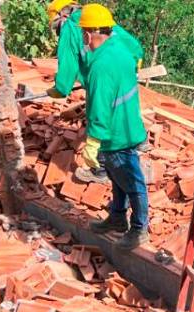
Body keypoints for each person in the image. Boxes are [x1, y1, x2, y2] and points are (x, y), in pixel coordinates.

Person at [78, 4, 149, 250]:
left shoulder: (101, 66)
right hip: (127, 126)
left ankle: (140, 229)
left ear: (88, 33)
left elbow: (100, 107)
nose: (83, 38)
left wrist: (93, 141)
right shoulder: (120, 49)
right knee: (118, 179)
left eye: (83, 33)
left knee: (132, 182)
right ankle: (118, 217)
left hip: (116, 135)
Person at [46, 0, 85, 99]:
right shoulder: (92, 16)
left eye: (57, 27)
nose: (59, 32)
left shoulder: (69, 25)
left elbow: (68, 64)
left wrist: (60, 89)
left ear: (64, 16)